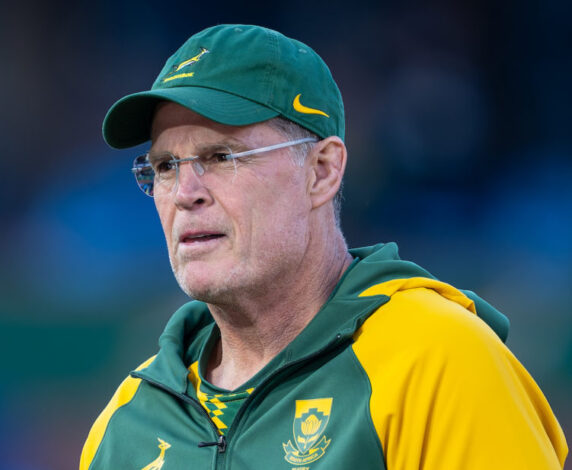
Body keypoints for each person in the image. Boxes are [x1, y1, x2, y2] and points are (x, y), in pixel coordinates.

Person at [80, 24, 567, 470]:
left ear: (322, 171)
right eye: (166, 166)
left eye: (222, 156)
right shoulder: (124, 425)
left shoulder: (438, 361)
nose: (186, 193)